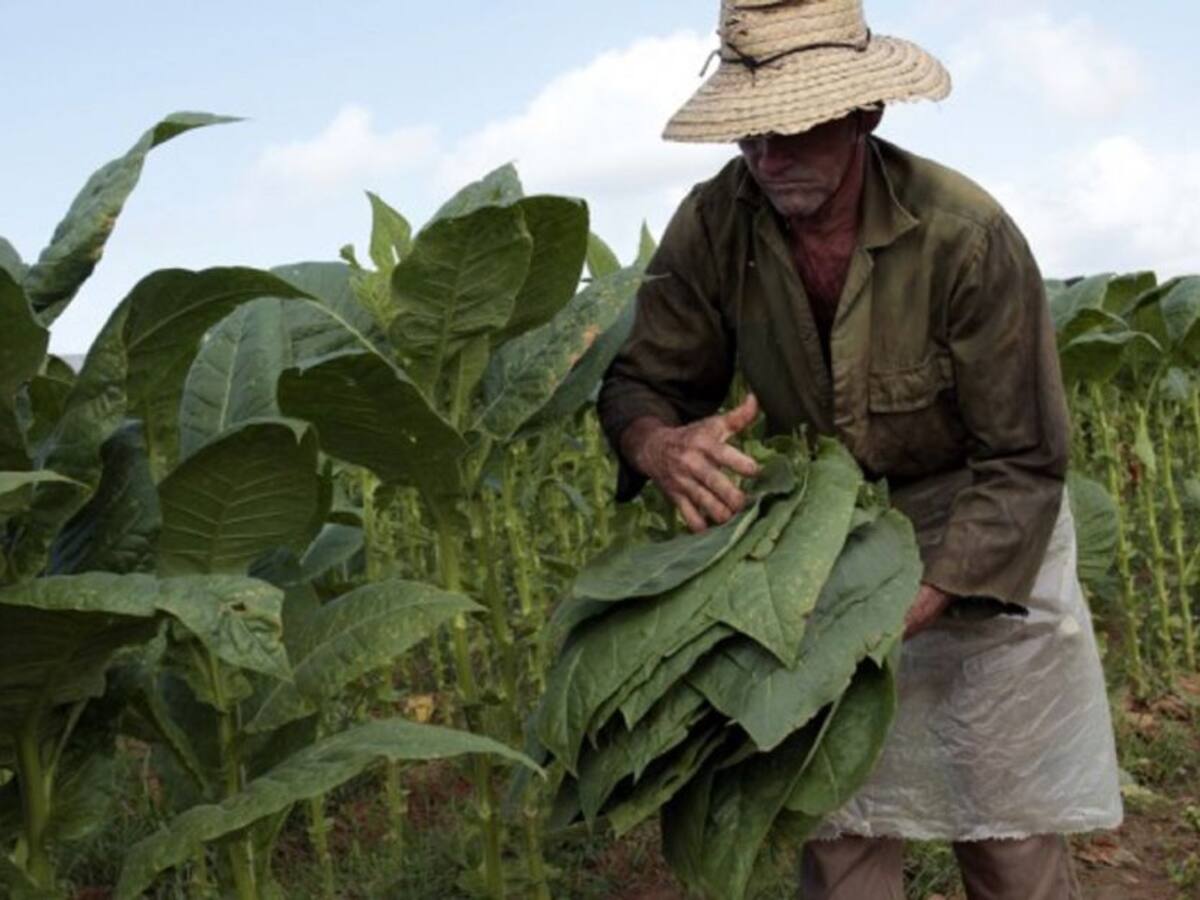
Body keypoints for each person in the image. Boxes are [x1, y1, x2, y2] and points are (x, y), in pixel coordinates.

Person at [597, 1, 1123, 898]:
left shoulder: (965, 236)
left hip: (981, 541)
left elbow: (1026, 462)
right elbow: (641, 384)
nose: (768, 155)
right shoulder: (716, 223)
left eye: (795, 126)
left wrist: (908, 606)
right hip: (825, 546)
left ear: (864, 114)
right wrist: (659, 444)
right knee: (840, 829)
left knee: (1004, 828)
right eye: (750, 131)